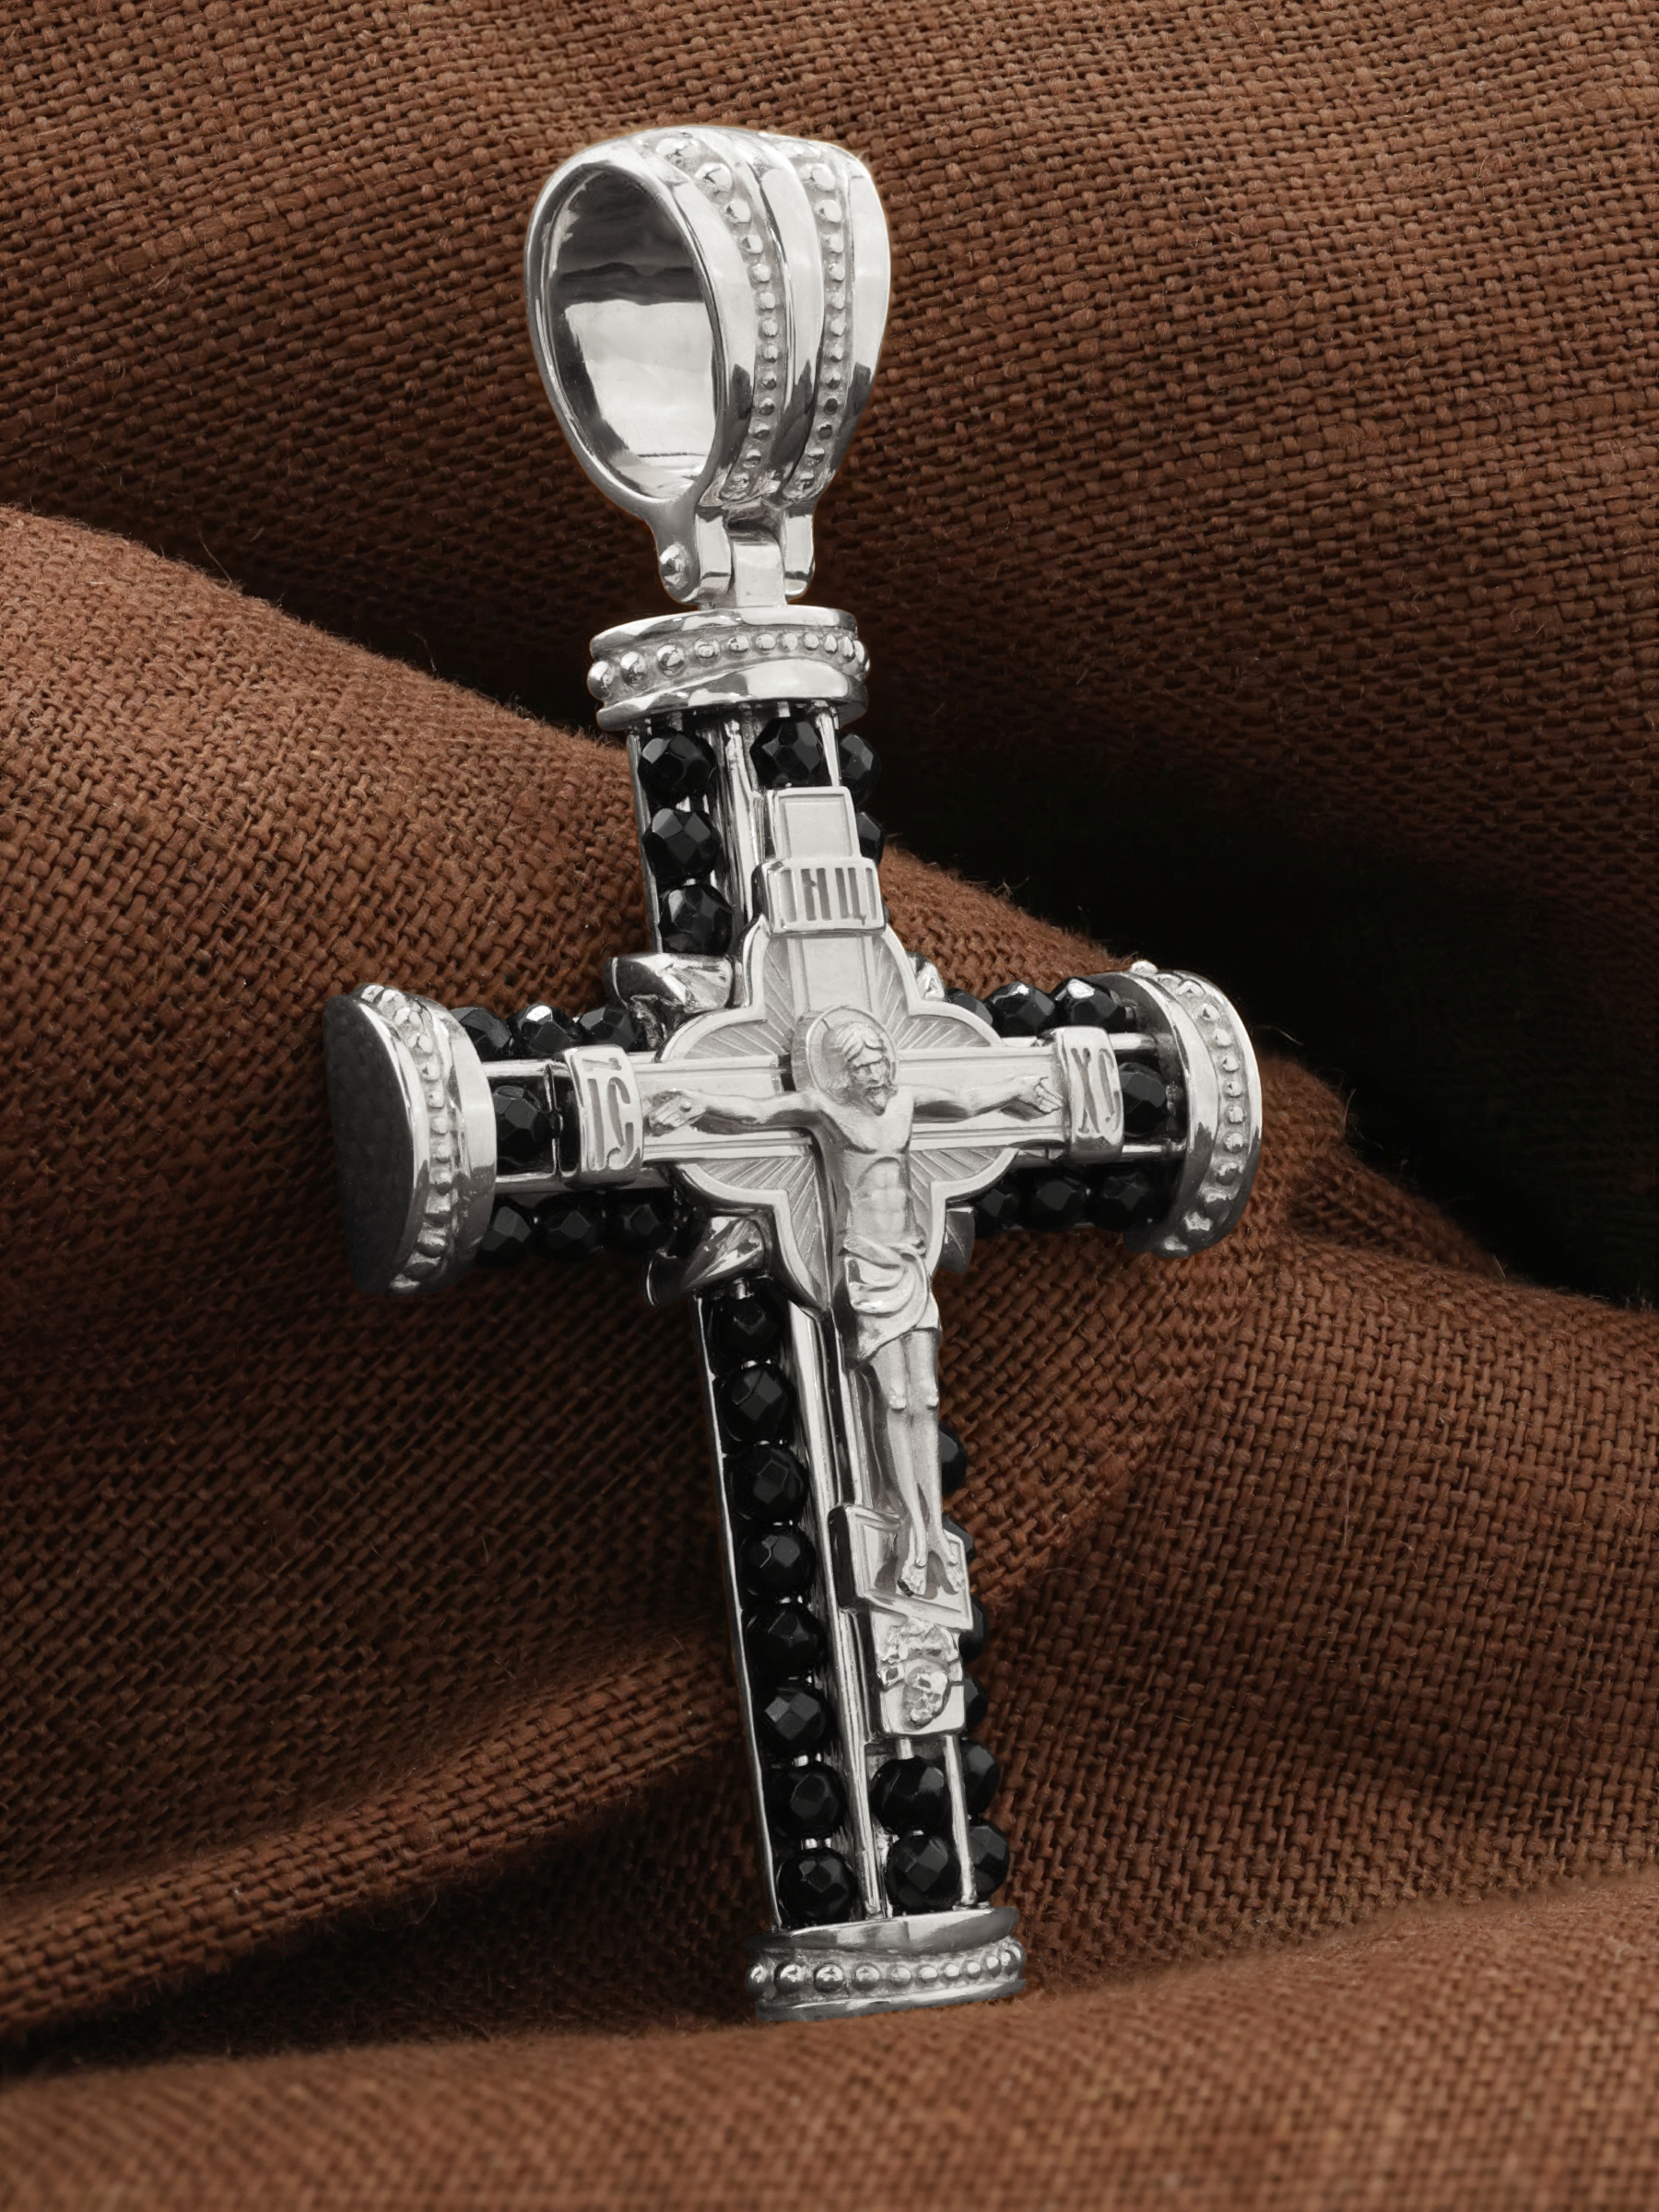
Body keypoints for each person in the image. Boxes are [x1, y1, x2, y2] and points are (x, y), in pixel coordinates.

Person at [650, 1007, 1057, 1597]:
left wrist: (1019, 1086)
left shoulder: (905, 1102)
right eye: (864, 1067)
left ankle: (932, 1531)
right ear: (844, 1071)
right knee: (893, 1397)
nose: (876, 1074)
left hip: (909, 1257)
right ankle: (912, 1531)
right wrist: (697, 1101)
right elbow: (759, 1112)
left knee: (927, 1395)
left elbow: (967, 1100)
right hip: (866, 1264)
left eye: (880, 1062)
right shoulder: (827, 1109)